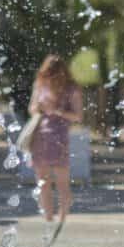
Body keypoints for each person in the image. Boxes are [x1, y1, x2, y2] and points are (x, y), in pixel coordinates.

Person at [27, 54, 83, 230]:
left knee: (61, 181)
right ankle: (48, 217)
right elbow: (32, 108)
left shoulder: (72, 89)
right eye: (48, 73)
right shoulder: (40, 84)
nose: (51, 77)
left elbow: (78, 116)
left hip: (59, 137)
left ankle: (62, 218)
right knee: (42, 180)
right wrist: (40, 108)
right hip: (40, 136)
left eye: (54, 73)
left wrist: (57, 111)